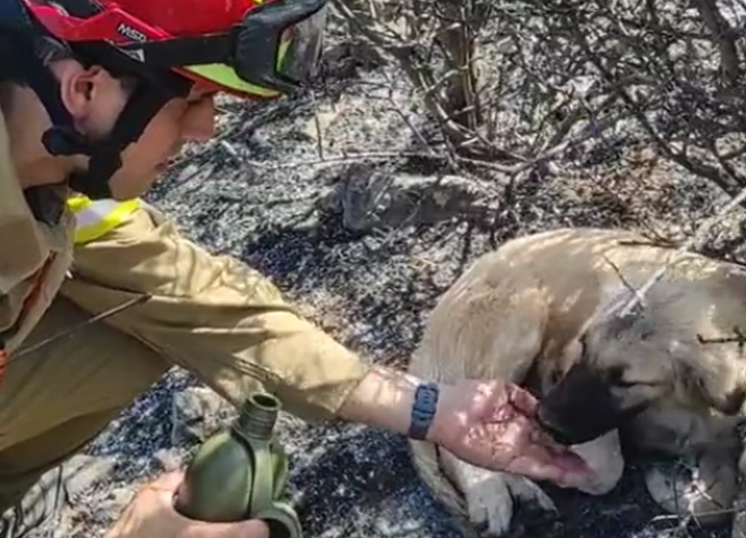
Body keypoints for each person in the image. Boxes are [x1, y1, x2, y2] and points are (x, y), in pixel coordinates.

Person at [0, 0, 591, 536]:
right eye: (193, 99)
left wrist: (431, 409)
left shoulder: (56, 177)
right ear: (85, 90)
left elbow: (200, 300)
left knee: (131, 326)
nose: (206, 129)